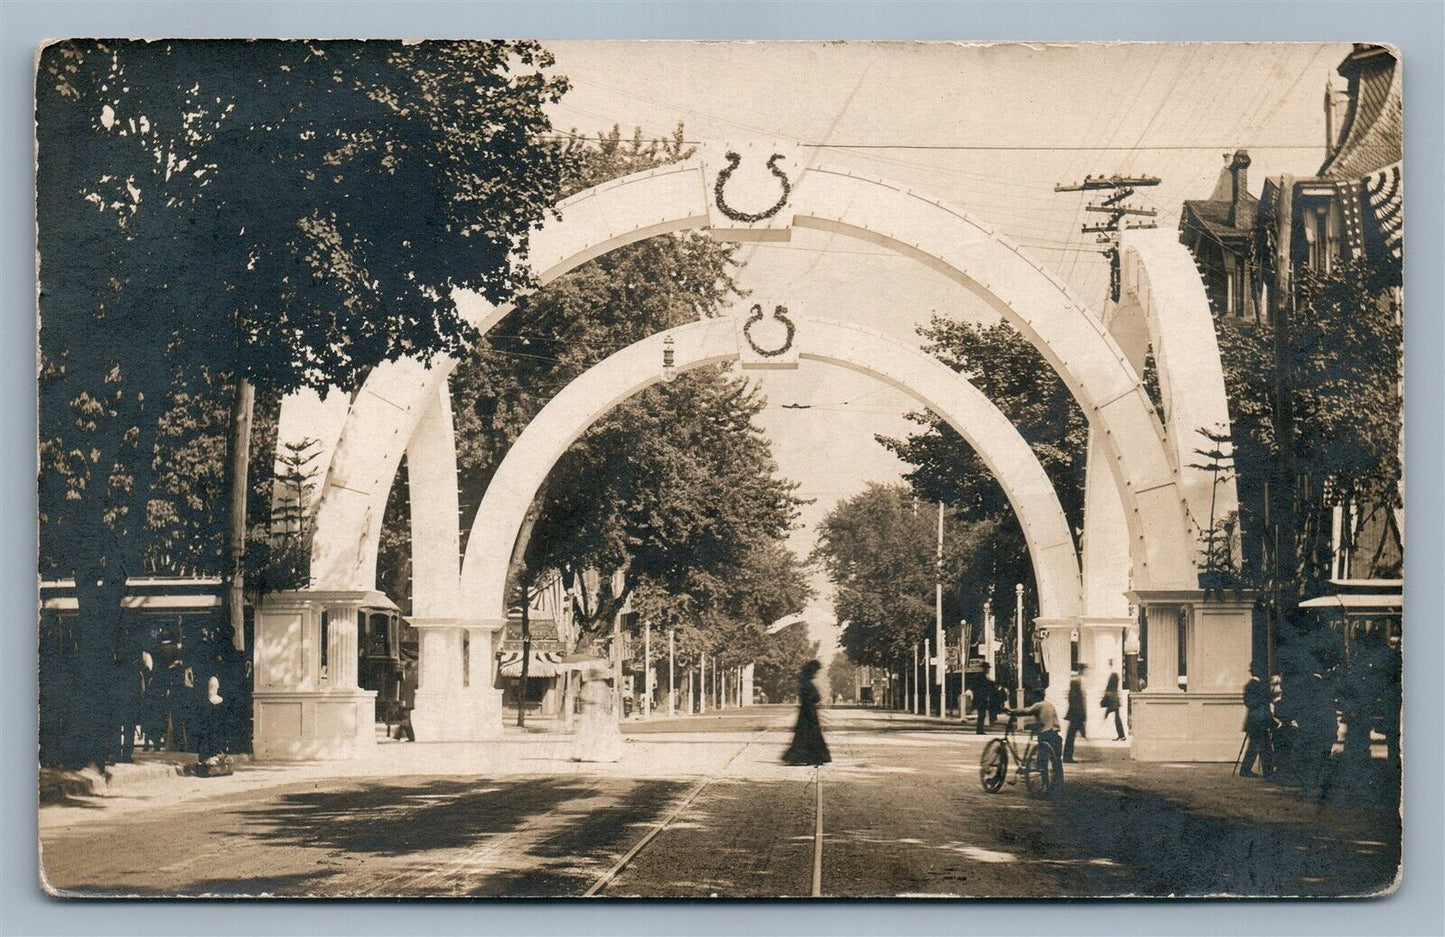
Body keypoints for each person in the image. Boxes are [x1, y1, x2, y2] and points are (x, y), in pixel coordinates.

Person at [782, 660, 831, 766]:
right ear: (811, 672)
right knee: (811, 734)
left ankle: (801, 756)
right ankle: (813, 757)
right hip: (809, 712)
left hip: (805, 712)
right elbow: (815, 697)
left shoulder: (804, 683)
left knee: (803, 734)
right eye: (815, 672)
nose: (816, 674)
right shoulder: (808, 684)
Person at [572, 665, 623, 763]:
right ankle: (589, 754)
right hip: (595, 710)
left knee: (594, 731)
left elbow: (584, 696)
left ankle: (591, 754)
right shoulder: (599, 685)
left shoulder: (592, 685)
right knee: (593, 731)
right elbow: (605, 698)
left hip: (595, 710)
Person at [1239, 666, 1275, 778]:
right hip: (1256, 721)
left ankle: (1266, 771)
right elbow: (1250, 703)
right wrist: (1264, 698)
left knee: (1262, 746)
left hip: (1258, 721)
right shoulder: (1252, 685)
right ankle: (1250, 770)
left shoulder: (1258, 685)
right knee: (1256, 747)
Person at [1009, 697, 1063, 764]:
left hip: (1045, 733)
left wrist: (1012, 711)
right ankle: (1058, 773)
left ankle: (1042, 770)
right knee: (1056, 759)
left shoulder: (1038, 705)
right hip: (1055, 734)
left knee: (1042, 758)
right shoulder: (1049, 705)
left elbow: (1026, 711)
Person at [1063, 663, 1087, 763]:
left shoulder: (1078, 681)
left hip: (1076, 713)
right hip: (1075, 714)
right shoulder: (1076, 681)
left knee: (1071, 736)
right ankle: (1067, 757)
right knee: (1070, 737)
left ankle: (1068, 756)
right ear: (1081, 670)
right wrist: (1079, 713)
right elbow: (1073, 699)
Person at [393, 658, 417, 742]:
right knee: (404, 718)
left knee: (405, 719)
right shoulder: (411, 675)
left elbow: (405, 690)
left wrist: (403, 701)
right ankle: (399, 735)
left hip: (406, 701)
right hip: (407, 701)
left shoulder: (408, 676)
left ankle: (410, 737)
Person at [1102, 668, 1126, 741]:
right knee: (1117, 719)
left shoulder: (1110, 686)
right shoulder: (1115, 685)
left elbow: (1107, 693)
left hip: (1112, 703)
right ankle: (1121, 735)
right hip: (1115, 703)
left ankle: (1121, 735)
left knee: (1116, 719)